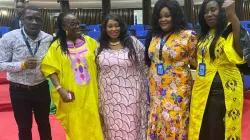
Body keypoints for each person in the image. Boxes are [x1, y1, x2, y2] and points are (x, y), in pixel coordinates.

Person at [188, 0, 249, 140]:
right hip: (203, 88)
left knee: (219, 130)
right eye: (205, 12)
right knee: (204, 128)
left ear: (221, 11)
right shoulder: (204, 35)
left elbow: (240, 51)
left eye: (213, 10)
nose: (209, 14)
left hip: (224, 88)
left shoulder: (229, 29)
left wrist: (232, 14)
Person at [41, 13, 104, 140]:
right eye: (72, 24)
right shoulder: (57, 46)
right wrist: (59, 88)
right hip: (71, 95)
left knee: (93, 123)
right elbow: (49, 68)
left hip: (91, 93)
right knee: (75, 126)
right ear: (64, 26)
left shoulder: (90, 42)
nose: (77, 26)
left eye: (77, 23)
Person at [145, 0, 198, 139]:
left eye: (167, 15)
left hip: (178, 89)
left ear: (175, 15)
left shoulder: (188, 36)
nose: (163, 19)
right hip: (156, 89)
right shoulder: (154, 36)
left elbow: (197, 63)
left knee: (174, 120)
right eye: (160, 16)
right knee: (158, 120)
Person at [0, 6, 52, 140]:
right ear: (22, 19)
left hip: (41, 87)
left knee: (44, 124)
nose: (34, 22)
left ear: (41, 21)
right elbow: (1, 64)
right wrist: (22, 65)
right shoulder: (8, 37)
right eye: (30, 18)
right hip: (19, 90)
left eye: (37, 19)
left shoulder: (48, 38)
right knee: (24, 127)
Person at [97, 13, 148, 140]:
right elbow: (97, 71)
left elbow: (144, 66)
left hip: (131, 96)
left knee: (131, 127)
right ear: (105, 28)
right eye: (110, 26)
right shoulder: (99, 46)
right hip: (108, 98)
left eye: (116, 25)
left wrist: (143, 91)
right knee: (112, 129)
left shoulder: (133, 43)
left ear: (122, 27)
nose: (114, 29)